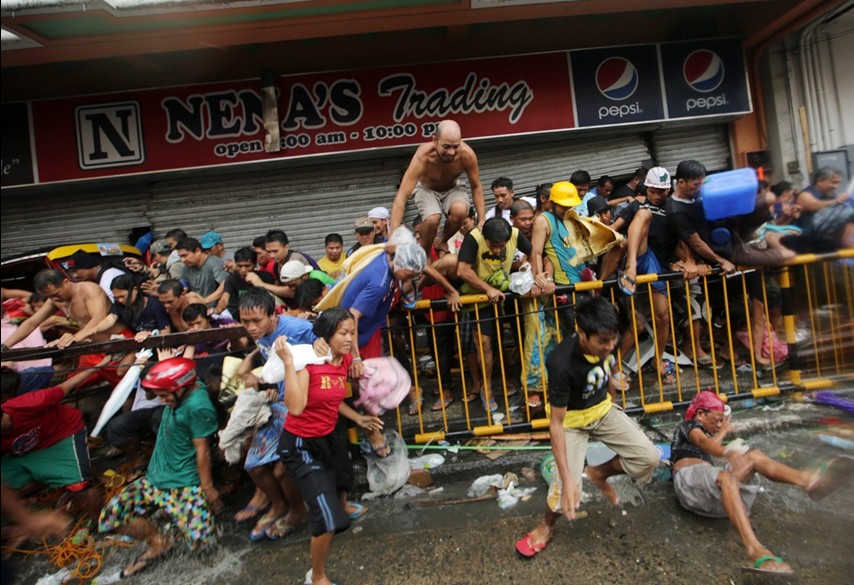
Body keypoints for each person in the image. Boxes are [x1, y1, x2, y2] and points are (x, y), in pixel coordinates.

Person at [515, 296, 659, 558]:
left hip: (602, 411)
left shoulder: (608, 338)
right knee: (565, 491)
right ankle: (546, 526)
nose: (610, 345)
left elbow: (610, 369)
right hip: (570, 422)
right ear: (582, 334)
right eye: (603, 342)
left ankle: (598, 473)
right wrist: (568, 477)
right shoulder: (561, 363)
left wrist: (615, 404)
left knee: (648, 458)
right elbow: (556, 424)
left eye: (612, 339)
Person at [671, 391, 854, 576]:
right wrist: (727, 451)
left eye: (721, 421)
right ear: (700, 414)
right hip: (688, 484)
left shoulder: (706, 436)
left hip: (709, 493)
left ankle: (807, 480)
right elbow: (704, 442)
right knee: (726, 476)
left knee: (753, 456)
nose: (718, 425)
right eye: (716, 420)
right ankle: (754, 550)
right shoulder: (688, 426)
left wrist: (724, 432)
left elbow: (709, 443)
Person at [277, 308, 384, 585]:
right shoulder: (308, 362)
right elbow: (297, 407)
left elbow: (330, 400)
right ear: (326, 335)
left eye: (352, 333)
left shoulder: (344, 358)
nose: (349, 338)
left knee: (336, 497)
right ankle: (317, 577)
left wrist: (359, 418)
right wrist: (289, 363)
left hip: (326, 440)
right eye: (343, 333)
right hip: (300, 446)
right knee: (326, 517)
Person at [98, 357, 221, 578]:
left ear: (182, 388)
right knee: (111, 518)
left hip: (183, 484)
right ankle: (158, 542)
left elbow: (202, 451)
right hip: (154, 476)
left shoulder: (198, 406)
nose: (162, 400)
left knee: (205, 548)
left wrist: (208, 488)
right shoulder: (188, 386)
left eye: (165, 395)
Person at [237, 288, 319, 540]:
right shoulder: (261, 335)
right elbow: (275, 365)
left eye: (256, 321)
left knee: (283, 470)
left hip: (303, 405)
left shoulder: (297, 330)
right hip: (278, 404)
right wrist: (270, 385)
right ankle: (278, 505)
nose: (251, 327)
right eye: (245, 321)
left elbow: (323, 357)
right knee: (254, 466)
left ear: (273, 315)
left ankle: (297, 509)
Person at [339, 235, 427, 456]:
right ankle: (372, 432)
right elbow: (352, 316)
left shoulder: (390, 257)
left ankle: (372, 423)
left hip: (370, 330)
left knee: (373, 382)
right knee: (365, 384)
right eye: (410, 275)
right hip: (352, 336)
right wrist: (356, 357)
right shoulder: (379, 283)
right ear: (398, 264)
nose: (412, 279)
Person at [2, 355, 111, 522]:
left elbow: (67, 385)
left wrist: (101, 364)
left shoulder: (30, 403)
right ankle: (53, 481)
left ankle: (102, 522)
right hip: (28, 451)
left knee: (79, 487)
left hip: (62, 433)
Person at [3, 270, 133, 387]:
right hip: (92, 347)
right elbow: (32, 322)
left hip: (117, 341)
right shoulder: (54, 300)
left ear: (66, 282)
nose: (55, 299)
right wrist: (5, 346)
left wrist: (74, 338)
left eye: (56, 293)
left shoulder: (87, 289)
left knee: (129, 383)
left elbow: (98, 318)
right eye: (50, 297)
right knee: (78, 382)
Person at [457, 217, 531, 412]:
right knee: (484, 344)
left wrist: (527, 267)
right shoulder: (473, 238)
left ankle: (527, 384)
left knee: (519, 338)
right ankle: (487, 388)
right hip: (480, 296)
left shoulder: (515, 233)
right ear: (484, 236)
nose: (498, 250)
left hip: (507, 292)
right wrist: (487, 289)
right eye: (493, 245)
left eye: (502, 245)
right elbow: (462, 271)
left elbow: (535, 252)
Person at [390, 119, 486, 255]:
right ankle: (424, 254)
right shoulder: (423, 156)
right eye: (446, 146)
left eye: (455, 146)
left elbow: (476, 186)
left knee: (460, 210)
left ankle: (442, 240)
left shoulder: (467, 155)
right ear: (435, 140)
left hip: (453, 188)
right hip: (426, 189)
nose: (451, 152)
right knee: (432, 219)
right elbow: (402, 196)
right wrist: (393, 236)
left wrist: (482, 219)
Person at [76, 273, 171, 343]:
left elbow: (165, 331)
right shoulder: (119, 305)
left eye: (123, 296)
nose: (120, 300)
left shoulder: (154, 305)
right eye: (116, 298)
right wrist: (92, 330)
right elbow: (109, 320)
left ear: (135, 290)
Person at [793, 166, 854, 250]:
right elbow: (812, 205)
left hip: (828, 238)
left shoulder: (831, 195)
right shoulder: (805, 194)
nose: (836, 186)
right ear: (820, 180)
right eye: (833, 182)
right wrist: (836, 201)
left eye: (838, 183)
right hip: (809, 237)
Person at [215, 246, 276, 319]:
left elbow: (273, 298)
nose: (243, 270)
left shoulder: (266, 277)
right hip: (237, 319)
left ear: (255, 264)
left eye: (247, 266)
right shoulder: (232, 279)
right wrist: (217, 310)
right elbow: (224, 299)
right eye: (239, 266)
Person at [176, 237, 228, 305]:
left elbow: (226, 285)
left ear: (198, 251)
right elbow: (183, 285)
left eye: (185, 255)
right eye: (180, 256)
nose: (182, 260)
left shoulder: (214, 263)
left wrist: (204, 301)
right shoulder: (186, 267)